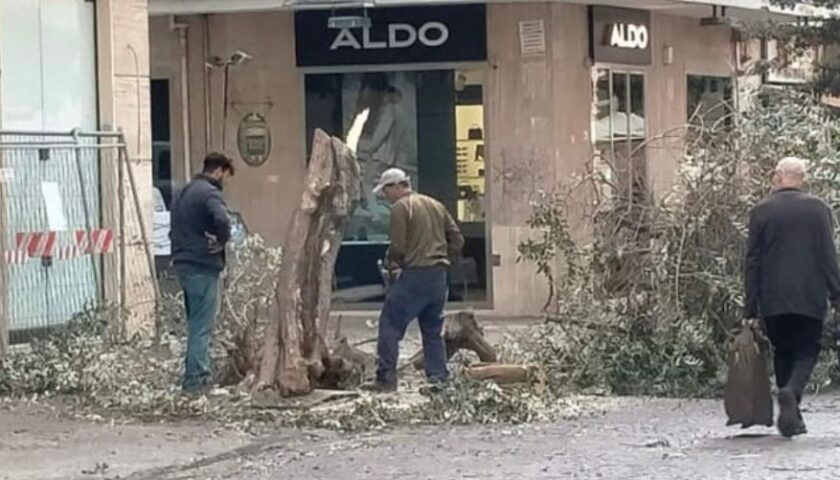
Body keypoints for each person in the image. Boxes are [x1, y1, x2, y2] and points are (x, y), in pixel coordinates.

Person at [744, 156, 840, 437]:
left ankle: (791, 416)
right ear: (804, 178)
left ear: (777, 176)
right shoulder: (818, 209)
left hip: (772, 295)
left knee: (783, 350)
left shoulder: (760, 211)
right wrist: (837, 294)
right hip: (809, 294)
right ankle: (791, 393)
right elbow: (828, 255)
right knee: (808, 349)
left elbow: (752, 260)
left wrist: (750, 305)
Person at [363, 168, 464, 392]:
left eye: (385, 191)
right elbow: (457, 237)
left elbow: (398, 245)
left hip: (416, 274)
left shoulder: (401, 207)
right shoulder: (435, 204)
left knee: (389, 323)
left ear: (396, 186)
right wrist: (445, 259)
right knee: (432, 329)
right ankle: (438, 379)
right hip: (438, 277)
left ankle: (386, 378)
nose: (385, 197)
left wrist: (393, 264)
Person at [169, 152, 235, 394]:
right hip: (202, 265)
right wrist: (221, 241)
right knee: (202, 326)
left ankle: (192, 379)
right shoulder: (210, 193)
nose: (225, 182)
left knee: (194, 322)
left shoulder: (183, 192)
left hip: (182, 264)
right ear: (219, 171)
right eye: (226, 176)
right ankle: (197, 382)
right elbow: (223, 220)